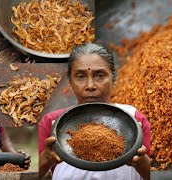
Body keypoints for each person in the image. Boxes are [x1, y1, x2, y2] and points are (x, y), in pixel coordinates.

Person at [39, 43, 150, 180]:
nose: (90, 86)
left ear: (113, 79)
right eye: (80, 76)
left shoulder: (135, 120)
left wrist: (142, 164)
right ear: (70, 81)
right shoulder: (52, 123)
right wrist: (46, 160)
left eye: (100, 75)